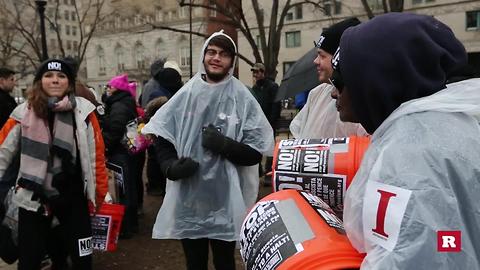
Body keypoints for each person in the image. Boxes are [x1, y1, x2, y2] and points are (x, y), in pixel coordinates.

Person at [330, 13, 480, 268]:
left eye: (340, 81)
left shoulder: (408, 158)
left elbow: (410, 258)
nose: (333, 92)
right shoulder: (446, 125)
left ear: (376, 82)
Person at [142, 31, 274, 270]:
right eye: (211, 52)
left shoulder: (242, 97)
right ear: (203, 55)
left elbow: (256, 151)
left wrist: (225, 145)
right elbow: (161, 135)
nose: (216, 58)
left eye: (223, 54)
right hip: (191, 198)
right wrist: (169, 166)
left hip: (226, 198)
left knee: (225, 263)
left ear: (232, 61)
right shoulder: (186, 95)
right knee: (195, 263)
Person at [0, 58, 108, 269]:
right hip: (33, 199)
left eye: (61, 76)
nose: (55, 80)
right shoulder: (22, 113)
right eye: (49, 76)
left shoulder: (84, 111)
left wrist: (99, 196)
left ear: (69, 82)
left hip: (74, 198)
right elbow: (2, 152)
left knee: (82, 261)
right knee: (30, 261)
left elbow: (96, 157)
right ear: (40, 81)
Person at [289, 17, 367, 139]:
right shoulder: (316, 94)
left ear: (340, 58)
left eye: (322, 55)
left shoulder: (362, 99)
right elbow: (298, 132)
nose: (315, 61)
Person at [102, 73, 138, 238]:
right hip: (125, 151)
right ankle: (130, 224)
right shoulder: (122, 102)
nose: (107, 89)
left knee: (122, 190)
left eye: (110, 86)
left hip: (119, 152)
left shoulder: (118, 106)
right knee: (127, 188)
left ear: (117, 88)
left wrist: (105, 147)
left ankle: (125, 228)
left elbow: (115, 130)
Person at [141, 60, 183, 196]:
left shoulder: (157, 91)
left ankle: (157, 186)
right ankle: (156, 186)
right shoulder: (163, 96)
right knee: (156, 161)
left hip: (163, 138)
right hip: (162, 138)